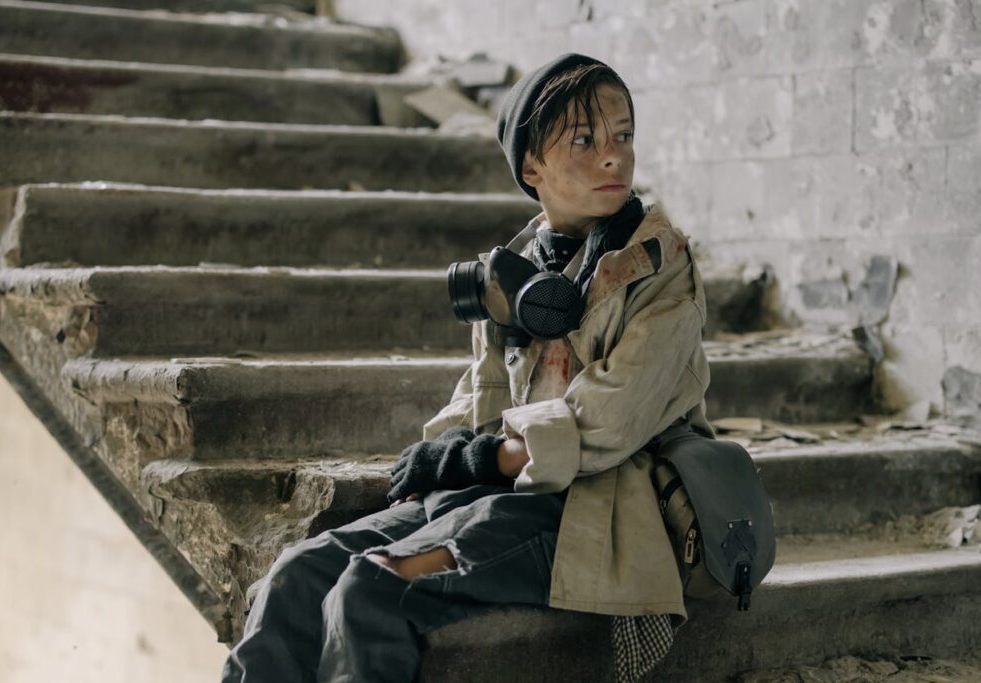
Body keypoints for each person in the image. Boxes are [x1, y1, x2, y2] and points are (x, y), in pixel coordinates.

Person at [220, 52, 714, 683]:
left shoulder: (660, 266)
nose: (613, 156)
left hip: (597, 508)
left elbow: (607, 423)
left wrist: (483, 459)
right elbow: (479, 396)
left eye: (622, 135)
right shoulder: (516, 268)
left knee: (375, 585)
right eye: (585, 140)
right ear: (531, 166)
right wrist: (439, 454)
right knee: (298, 573)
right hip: (498, 491)